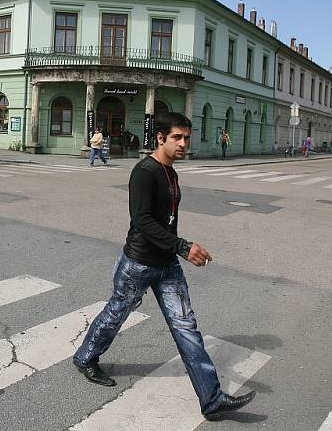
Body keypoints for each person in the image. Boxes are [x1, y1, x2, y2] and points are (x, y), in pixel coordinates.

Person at [72, 112, 256, 420]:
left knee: (186, 327)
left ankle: (211, 400)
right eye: (178, 137)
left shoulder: (172, 172)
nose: (184, 143)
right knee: (115, 315)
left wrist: (177, 249)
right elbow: (142, 221)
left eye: (187, 137)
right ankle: (85, 357)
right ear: (160, 138)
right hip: (139, 264)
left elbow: (167, 221)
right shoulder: (145, 172)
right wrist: (184, 247)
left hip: (168, 265)